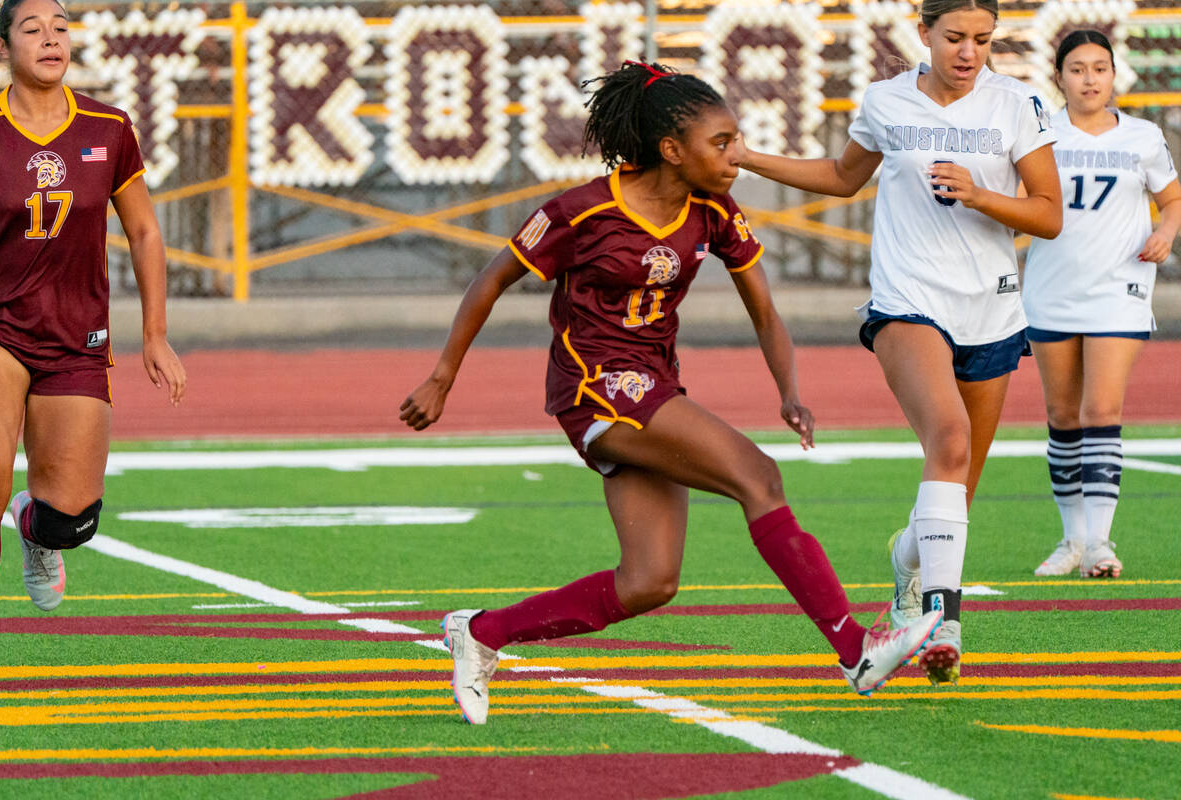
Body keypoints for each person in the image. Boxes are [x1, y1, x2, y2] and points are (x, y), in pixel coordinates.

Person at [399, 61, 941, 724]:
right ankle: (855, 650)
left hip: (652, 385)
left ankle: (482, 634)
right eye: (721, 143)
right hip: (594, 387)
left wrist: (789, 390)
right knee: (758, 478)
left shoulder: (713, 209)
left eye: (736, 140)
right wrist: (441, 376)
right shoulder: (582, 210)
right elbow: (491, 279)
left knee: (649, 582)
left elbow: (764, 311)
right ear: (671, 150)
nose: (734, 155)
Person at [739, 0, 1062, 684]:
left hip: (993, 311)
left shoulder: (1016, 105)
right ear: (923, 34)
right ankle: (943, 619)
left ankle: (908, 563)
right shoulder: (886, 100)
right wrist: (746, 159)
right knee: (947, 443)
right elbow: (842, 177)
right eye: (955, 37)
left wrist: (981, 196)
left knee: (956, 489)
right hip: (907, 301)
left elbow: (1049, 214)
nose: (969, 51)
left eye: (982, 39)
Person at [0, 0, 187, 625]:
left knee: (73, 518)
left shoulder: (108, 128)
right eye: (32, 29)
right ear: (2, 48)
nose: (50, 39)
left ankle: (37, 529)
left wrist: (155, 334)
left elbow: (147, 233)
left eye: (61, 29)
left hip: (77, 337)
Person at [1023, 30, 1181, 579]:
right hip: (1051, 287)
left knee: (1101, 413)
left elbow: (1173, 198)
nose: (1090, 79)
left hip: (1120, 287)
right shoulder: (1037, 133)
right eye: (1078, 69)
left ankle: (1100, 544)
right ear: (1059, 77)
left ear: (1114, 75)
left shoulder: (1142, 136)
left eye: (1100, 68)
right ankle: (1071, 540)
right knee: (1062, 417)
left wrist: (1167, 231)